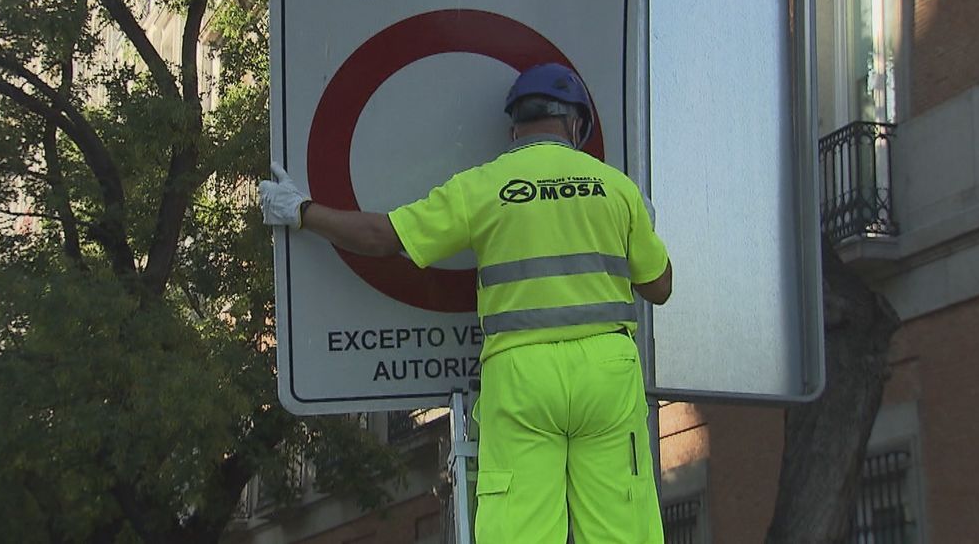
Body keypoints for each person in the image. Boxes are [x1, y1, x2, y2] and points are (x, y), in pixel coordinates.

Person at [260, 62, 673, 544]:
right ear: (576, 124)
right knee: (620, 526)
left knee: (521, 530)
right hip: (608, 372)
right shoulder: (617, 189)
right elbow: (659, 288)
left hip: (522, 376)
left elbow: (383, 237)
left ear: (515, 125)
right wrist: (643, 222)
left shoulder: (485, 186)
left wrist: (301, 212)